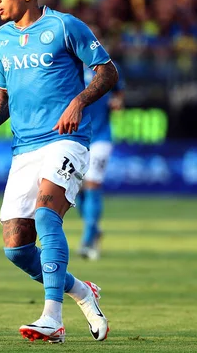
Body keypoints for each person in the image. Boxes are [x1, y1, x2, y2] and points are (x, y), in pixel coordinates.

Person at [0, 0, 118, 343]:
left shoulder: (65, 26)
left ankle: (52, 318)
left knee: (47, 214)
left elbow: (107, 72)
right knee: (16, 248)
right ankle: (82, 291)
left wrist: (79, 101)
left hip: (66, 139)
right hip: (24, 147)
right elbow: (5, 96)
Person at [78, 63, 125, 261]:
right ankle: (95, 229)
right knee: (75, 190)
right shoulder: (66, 65)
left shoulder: (106, 67)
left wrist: (117, 102)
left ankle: (88, 240)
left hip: (100, 137)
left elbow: (119, 93)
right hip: (75, 138)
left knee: (93, 183)